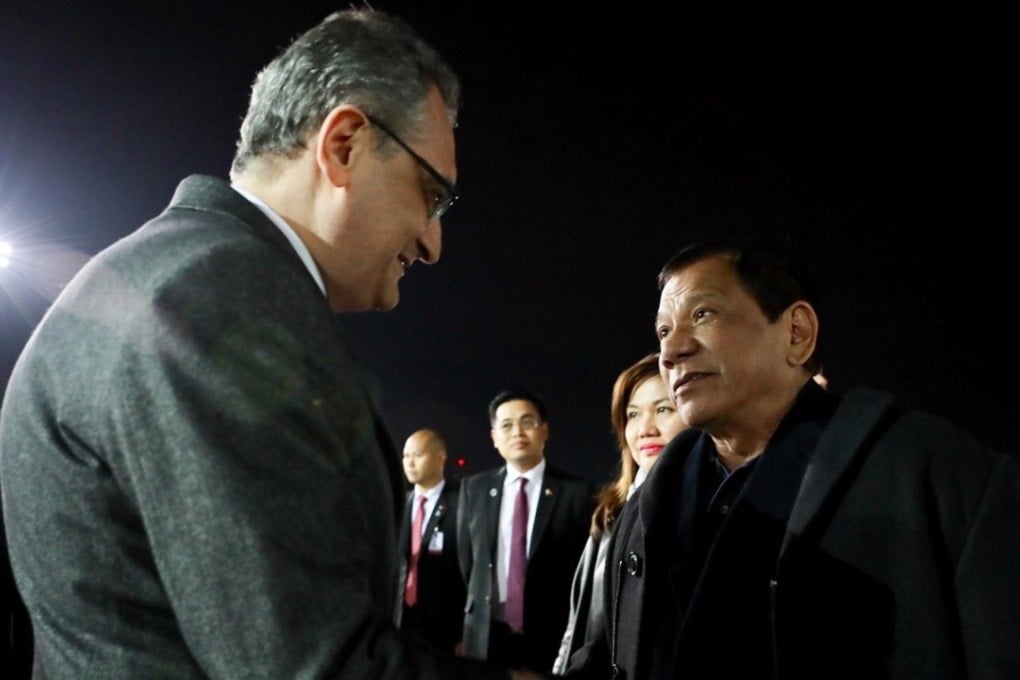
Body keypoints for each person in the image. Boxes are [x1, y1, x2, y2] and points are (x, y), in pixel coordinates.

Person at [0, 8, 536, 679]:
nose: (433, 242)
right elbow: (307, 664)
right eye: (432, 196)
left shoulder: (163, 272)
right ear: (344, 145)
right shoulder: (219, 299)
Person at [589, 238, 1020, 679]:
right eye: (663, 331)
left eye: (703, 314)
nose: (671, 350)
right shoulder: (647, 506)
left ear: (797, 332)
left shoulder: (935, 470)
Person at [552, 352, 684, 674]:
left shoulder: (712, 509)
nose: (645, 429)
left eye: (663, 409)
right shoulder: (611, 515)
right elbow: (583, 627)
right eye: (633, 415)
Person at [458, 388, 596, 673]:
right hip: (485, 635)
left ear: (545, 430)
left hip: (550, 634)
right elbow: (467, 559)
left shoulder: (578, 493)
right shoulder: (474, 489)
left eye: (527, 422)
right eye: (506, 425)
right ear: (494, 437)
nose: (517, 432)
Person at [396, 428, 466, 655]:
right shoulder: (397, 505)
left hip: (443, 630)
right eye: (406, 456)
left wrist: (465, 632)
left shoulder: (462, 504)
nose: (410, 463)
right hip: (398, 623)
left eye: (417, 455)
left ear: (440, 458)